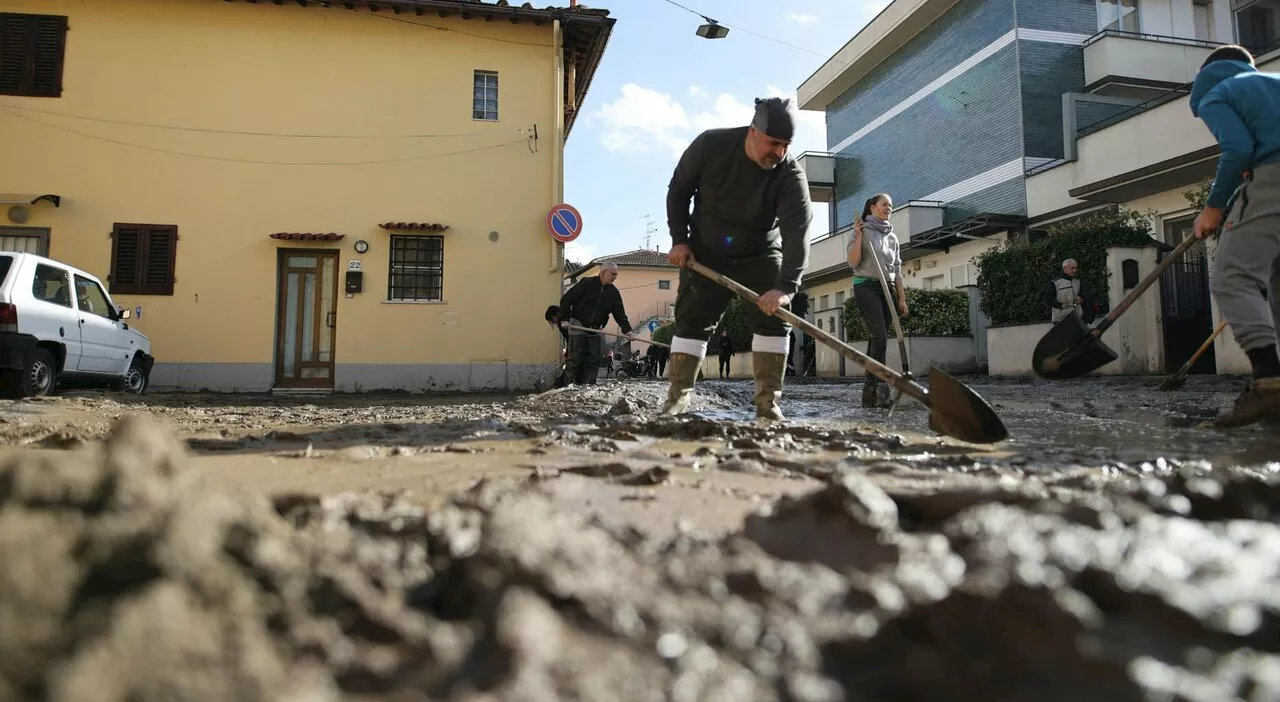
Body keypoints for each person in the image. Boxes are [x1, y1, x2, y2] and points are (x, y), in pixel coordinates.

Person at [662, 96, 813, 420]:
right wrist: (679, 240)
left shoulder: (790, 176)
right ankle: (676, 403)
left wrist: (785, 287)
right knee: (692, 321)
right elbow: (678, 190)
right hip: (705, 250)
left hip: (760, 252)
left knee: (774, 320)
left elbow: (797, 233)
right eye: (774, 143)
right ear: (753, 132)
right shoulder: (711, 146)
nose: (780, 152)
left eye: (786, 145)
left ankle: (767, 406)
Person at [1189, 44, 1280, 428]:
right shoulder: (1273, 82)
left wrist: (1213, 206)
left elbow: (1238, 147)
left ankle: (1269, 381)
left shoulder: (1218, 92)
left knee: (1232, 278)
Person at [847, 193, 908, 409]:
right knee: (879, 337)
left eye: (891, 205)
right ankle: (882, 389)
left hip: (888, 288)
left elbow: (897, 269)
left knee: (876, 340)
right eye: (884, 205)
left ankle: (869, 389)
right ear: (872, 208)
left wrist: (901, 297)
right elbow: (853, 262)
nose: (888, 208)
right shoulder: (861, 230)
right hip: (866, 285)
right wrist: (859, 237)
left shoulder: (892, 237)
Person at [557, 262, 633, 385]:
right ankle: (566, 387)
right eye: (613, 274)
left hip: (596, 328)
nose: (615, 277)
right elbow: (567, 299)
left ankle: (589, 387)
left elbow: (619, 313)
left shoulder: (613, 293)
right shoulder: (586, 283)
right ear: (603, 272)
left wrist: (627, 330)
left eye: (616, 275)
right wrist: (564, 319)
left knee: (593, 360)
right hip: (578, 324)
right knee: (575, 358)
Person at [1045, 258, 1084, 324]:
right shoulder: (1056, 283)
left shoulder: (1077, 282)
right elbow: (1048, 299)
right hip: (1060, 320)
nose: (1075, 270)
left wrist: (1082, 298)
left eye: (1076, 268)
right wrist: (1061, 305)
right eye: (1072, 268)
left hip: (1077, 317)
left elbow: (1083, 294)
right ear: (1065, 268)